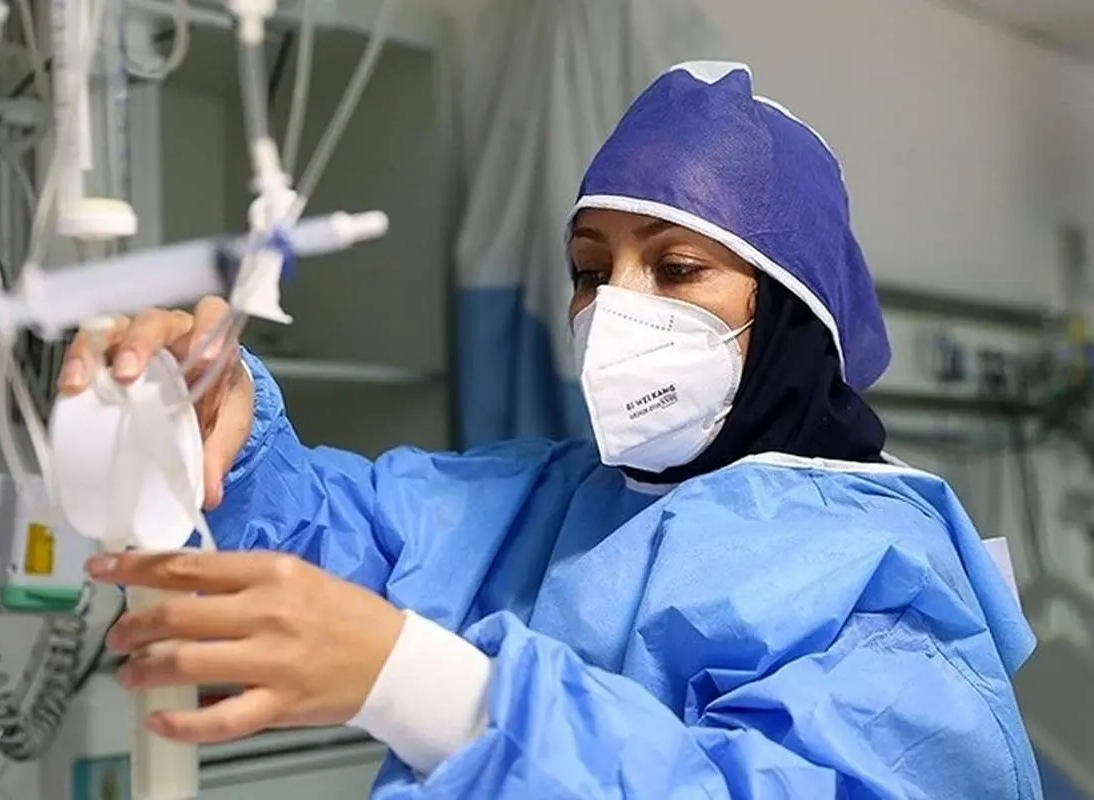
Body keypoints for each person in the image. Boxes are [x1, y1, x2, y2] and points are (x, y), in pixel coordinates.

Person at [66, 62, 1042, 798]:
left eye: (675, 269)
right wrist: (204, 417)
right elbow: (327, 532)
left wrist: (447, 697)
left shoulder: (886, 593)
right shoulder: (541, 502)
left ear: (791, 309)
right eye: (590, 270)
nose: (615, 308)